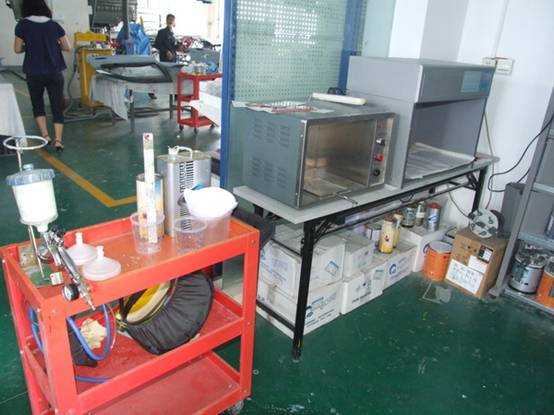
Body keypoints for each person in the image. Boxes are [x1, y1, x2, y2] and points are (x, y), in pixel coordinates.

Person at [13, 0, 70, 152]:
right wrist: (53, 45)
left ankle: (45, 136)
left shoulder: (23, 25)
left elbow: (17, 49)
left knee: (37, 104)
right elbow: (67, 47)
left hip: (34, 72)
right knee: (57, 105)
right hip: (54, 71)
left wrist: (29, 47)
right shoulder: (54, 25)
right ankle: (58, 140)